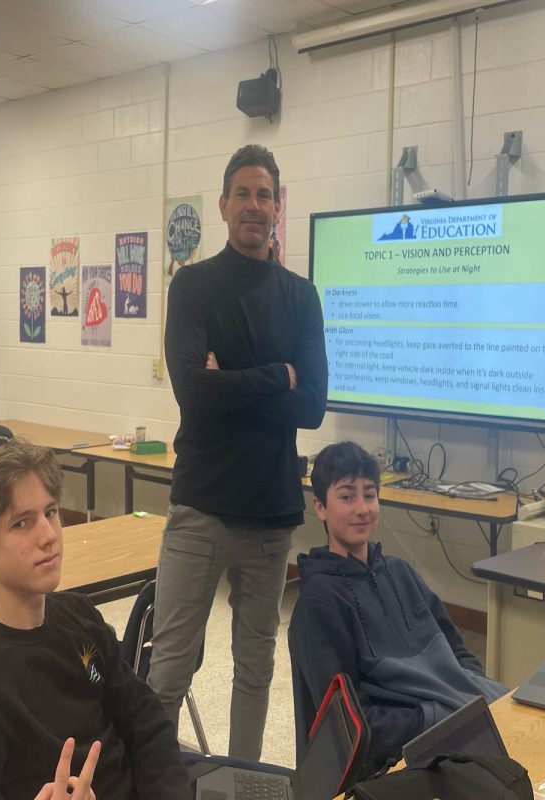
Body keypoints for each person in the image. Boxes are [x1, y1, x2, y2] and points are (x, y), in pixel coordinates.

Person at [152, 143, 328, 759]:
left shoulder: (302, 296)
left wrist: (231, 378)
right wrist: (276, 375)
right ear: (224, 206)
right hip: (201, 506)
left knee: (255, 670)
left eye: (265, 195)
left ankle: (242, 782)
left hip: (271, 513)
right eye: (243, 194)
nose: (255, 206)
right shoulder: (194, 286)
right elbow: (193, 395)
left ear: (278, 208)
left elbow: (313, 407)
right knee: (170, 668)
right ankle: (152, 784)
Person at [0, 440, 189, 800]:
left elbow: (146, 721)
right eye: (21, 523)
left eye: (50, 512)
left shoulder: (78, 617)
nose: (49, 536)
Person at [289, 441, 508, 775]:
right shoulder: (319, 603)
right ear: (320, 507)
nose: (362, 508)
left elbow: (460, 654)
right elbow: (352, 727)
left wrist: (470, 700)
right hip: (389, 766)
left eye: (370, 495)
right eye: (347, 496)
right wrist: (433, 717)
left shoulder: (399, 571)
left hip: (451, 729)